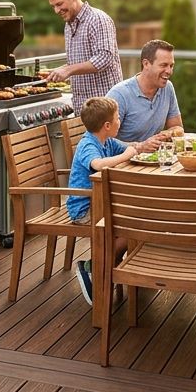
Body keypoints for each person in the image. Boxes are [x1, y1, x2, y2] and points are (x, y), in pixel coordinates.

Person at [66, 97, 137, 305]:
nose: (120, 122)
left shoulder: (106, 140)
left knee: (138, 218)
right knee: (132, 226)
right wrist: (126, 156)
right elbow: (97, 165)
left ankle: (105, 269)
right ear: (107, 126)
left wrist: (133, 150)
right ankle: (95, 267)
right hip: (85, 209)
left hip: (102, 204)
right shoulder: (89, 143)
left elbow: (127, 148)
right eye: (117, 119)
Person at [42, 0, 123, 114]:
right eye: (53, 6)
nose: (56, 10)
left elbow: (104, 58)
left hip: (104, 108)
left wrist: (68, 70)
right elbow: (77, 63)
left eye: (59, 4)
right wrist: (58, 71)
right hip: (82, 109)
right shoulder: (68, 26)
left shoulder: (98, 19)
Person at [105, 39, 183, 150]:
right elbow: (102, 140)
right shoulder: (119, 94)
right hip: (121, 163)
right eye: (164, 65)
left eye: (171, 66)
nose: (169, 71)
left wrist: (169, 133)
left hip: (153, 161)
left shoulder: (167, 88)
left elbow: (178, 127)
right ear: (146, 64)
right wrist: (140, 147)